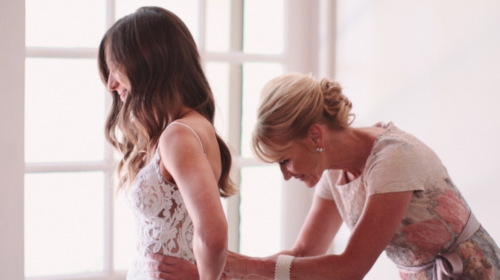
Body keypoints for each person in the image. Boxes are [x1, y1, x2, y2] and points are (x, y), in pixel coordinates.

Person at [150, 73, 500, 279]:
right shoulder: (334, 172)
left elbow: (350, 269)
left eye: (285, 160)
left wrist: (231, 262)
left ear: (316, 136)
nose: (286, 175)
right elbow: (303, 252)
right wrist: (216, 271)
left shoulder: (394, 159)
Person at [97, 6, 236, 280]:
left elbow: (214, 236)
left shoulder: (179, 135)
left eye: (115, 68)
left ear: (147, 62)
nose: (111, 83)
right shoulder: (175, 132)